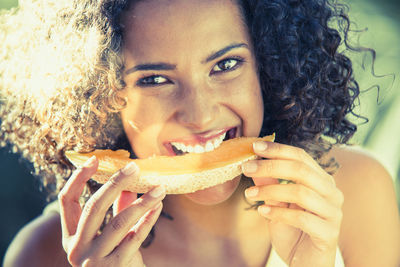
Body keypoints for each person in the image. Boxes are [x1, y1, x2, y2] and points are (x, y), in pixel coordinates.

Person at [1, 0, 399, 266]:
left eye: (226, 65)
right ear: (100, 96)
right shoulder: (41, 254)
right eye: (155, 79)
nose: (200, 114)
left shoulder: (356, 191)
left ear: (270, 64)